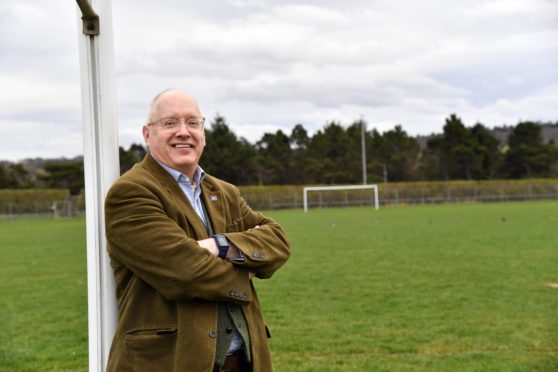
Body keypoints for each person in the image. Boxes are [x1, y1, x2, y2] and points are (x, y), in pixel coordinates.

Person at [104, 89, 291, 371]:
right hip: (171, 361)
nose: (183, 132)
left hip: (244, 362)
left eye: (193, 122)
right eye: (170, 123)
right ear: (147, 133)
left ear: (202, 132)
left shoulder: (223, 191)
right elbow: (185, 272)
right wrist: (247, 265)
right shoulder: (131, 192)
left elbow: (277, 240)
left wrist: (220, 246)